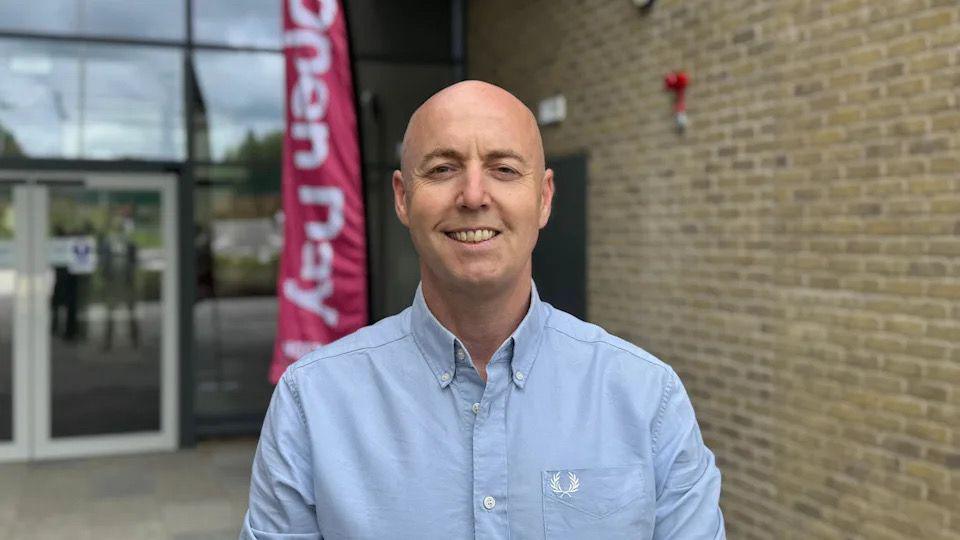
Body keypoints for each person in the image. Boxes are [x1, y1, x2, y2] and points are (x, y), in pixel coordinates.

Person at [241, 81, 725, 539]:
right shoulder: (313, 404)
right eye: (442, 169)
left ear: (544, 199)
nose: (473, 196)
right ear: (403, 198)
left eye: (505, 169)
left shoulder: (647, 400)